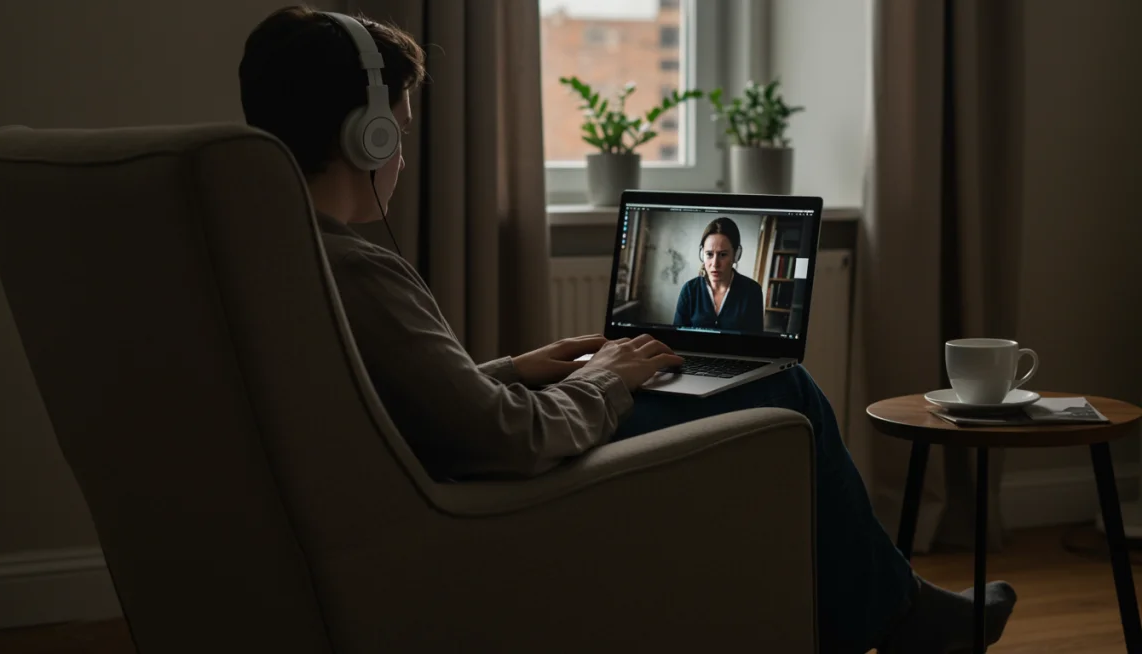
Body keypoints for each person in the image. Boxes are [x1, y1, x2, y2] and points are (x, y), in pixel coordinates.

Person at [238, 7, 1017, 653]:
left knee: (750, 384)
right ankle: (902, 617)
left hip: (437, 475)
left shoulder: (280, 254)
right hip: (493, 485)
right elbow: (502, 439)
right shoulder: (361, 268)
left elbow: (407, 403)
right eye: (398, 133)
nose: (401, 154)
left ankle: (872, 611)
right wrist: (606, 376)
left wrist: (515, 366)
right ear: (363, 139)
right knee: (787, 390)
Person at [673, 217, 765, 333]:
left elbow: (755, 342)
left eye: (723, 254)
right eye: (709, 254)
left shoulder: (752, 291)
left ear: (735, 255)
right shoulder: (689, 290)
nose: (715, 264)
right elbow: (676, 337)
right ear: (702, 254)